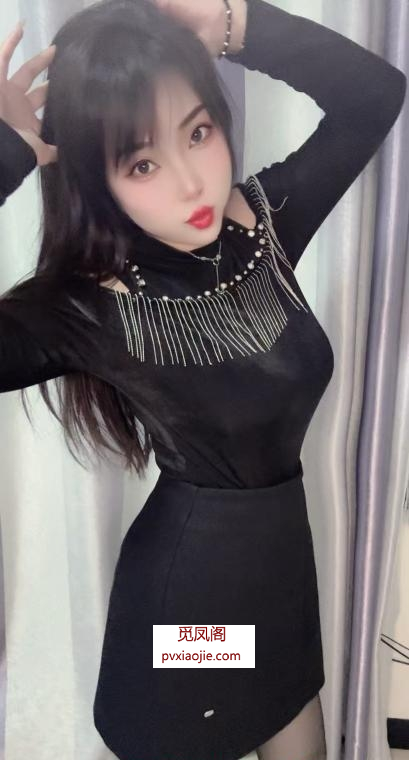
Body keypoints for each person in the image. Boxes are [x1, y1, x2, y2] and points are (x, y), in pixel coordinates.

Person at [0, 0, 406, 758]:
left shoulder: (263, 225)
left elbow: (373, 95)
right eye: (141, 164)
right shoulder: (84, 306)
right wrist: (9, 152)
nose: (192, 185)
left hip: (278, 578)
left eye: (197, 133)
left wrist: (233, 23)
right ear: (96, 179)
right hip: (188, 609)